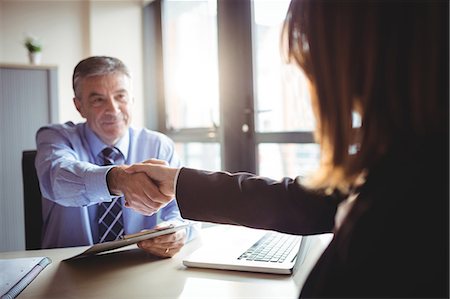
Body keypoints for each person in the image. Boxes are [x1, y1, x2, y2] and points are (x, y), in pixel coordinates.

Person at [123, 1, 448, 297]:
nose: (311, 76)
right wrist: (180, 181)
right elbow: (303, 200)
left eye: (314, 51)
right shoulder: (405, 155)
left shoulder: (415, 192)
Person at [35, 56, 197, 257]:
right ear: (79, 106)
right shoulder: (55, 137)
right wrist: (117, 179)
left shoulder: (158, 145)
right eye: (98, 100)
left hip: (136, 267)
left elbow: (185, 212)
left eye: (120, 96)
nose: (113, 109)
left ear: (132, 100)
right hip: (64, 270)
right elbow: (57, 179)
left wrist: (176, 230)